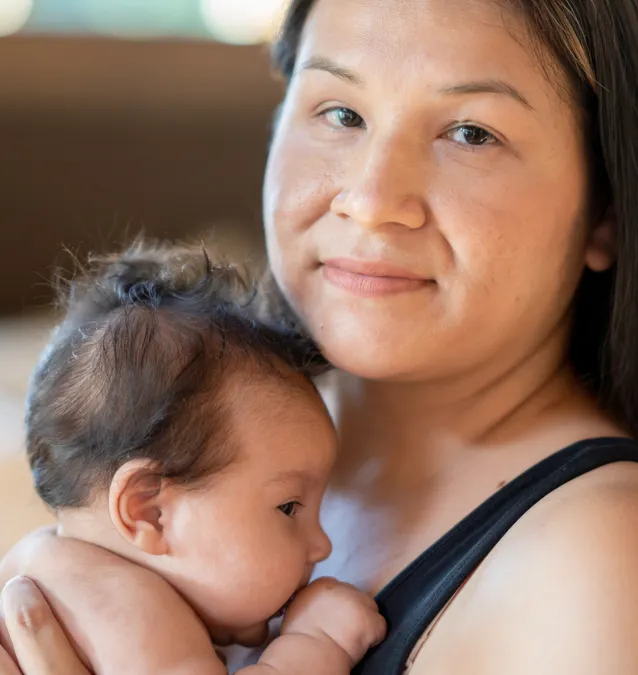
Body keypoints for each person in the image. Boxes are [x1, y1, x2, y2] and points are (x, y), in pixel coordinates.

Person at [3, 0, 638, 672]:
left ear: (605, 209)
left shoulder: (600, 561)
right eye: (342, 113)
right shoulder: (180, 432)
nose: (370, 197)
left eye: (471, 133)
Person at [0, 241, 386, 674]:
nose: (323, 545)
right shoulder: (130, 613)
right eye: (289, 507)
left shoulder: (42, 562)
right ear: (150, 511)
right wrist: (316, 642)